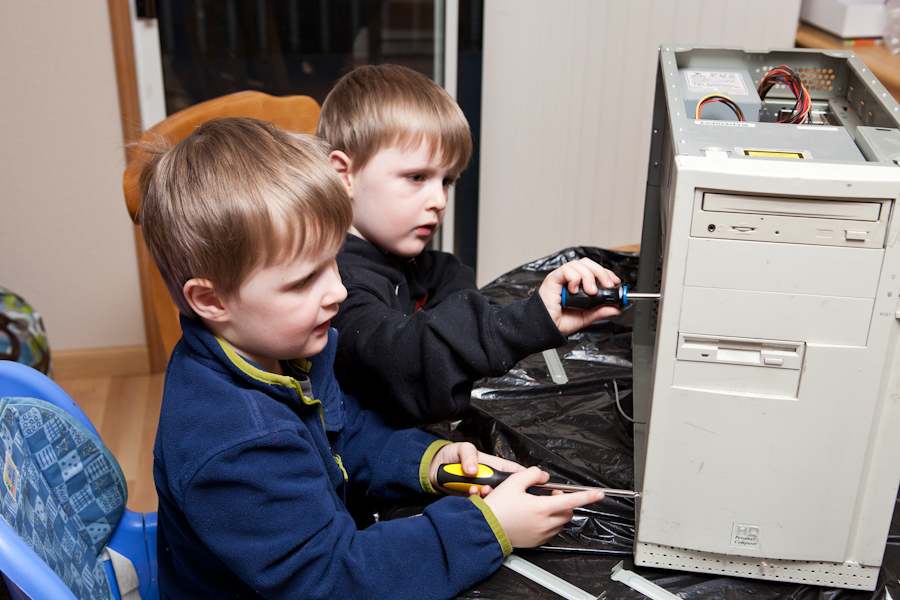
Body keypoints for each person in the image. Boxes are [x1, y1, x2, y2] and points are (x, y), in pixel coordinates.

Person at [138, 117, 605, 599]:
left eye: (333, 263)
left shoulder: (282, 350)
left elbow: (343, 432)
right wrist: (487, 528)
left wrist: (427, 462)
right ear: (211, 300)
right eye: (303, 281)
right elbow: (334, 579)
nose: (337, 291)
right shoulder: (237, 442)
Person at [318, 64, 623, 425]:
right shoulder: (337, 284)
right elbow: (399, 358)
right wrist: (526, 322)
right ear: (344, 175)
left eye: (447, 181)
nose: (439, 200)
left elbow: (448, 274)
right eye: (417, 177)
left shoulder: (403, 259)